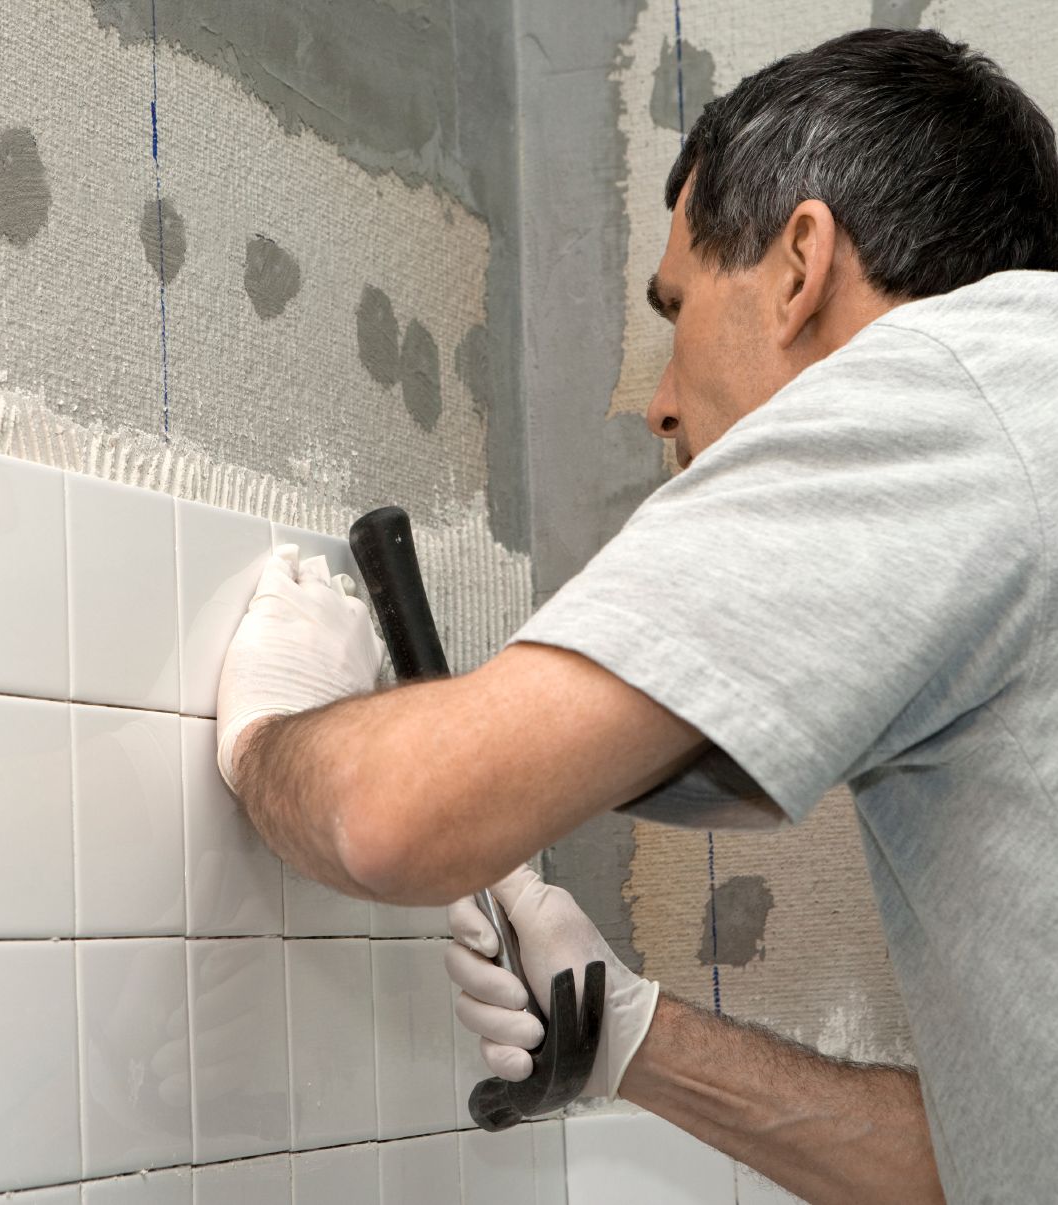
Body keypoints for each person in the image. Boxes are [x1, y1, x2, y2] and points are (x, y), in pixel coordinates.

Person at [214, 27, 1058, 1205]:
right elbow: (990, 1164)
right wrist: (630, 1035)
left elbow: (392, 818)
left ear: (799, 265)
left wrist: (268, 734)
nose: (659, 405)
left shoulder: (947, 390)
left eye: (677, 307)